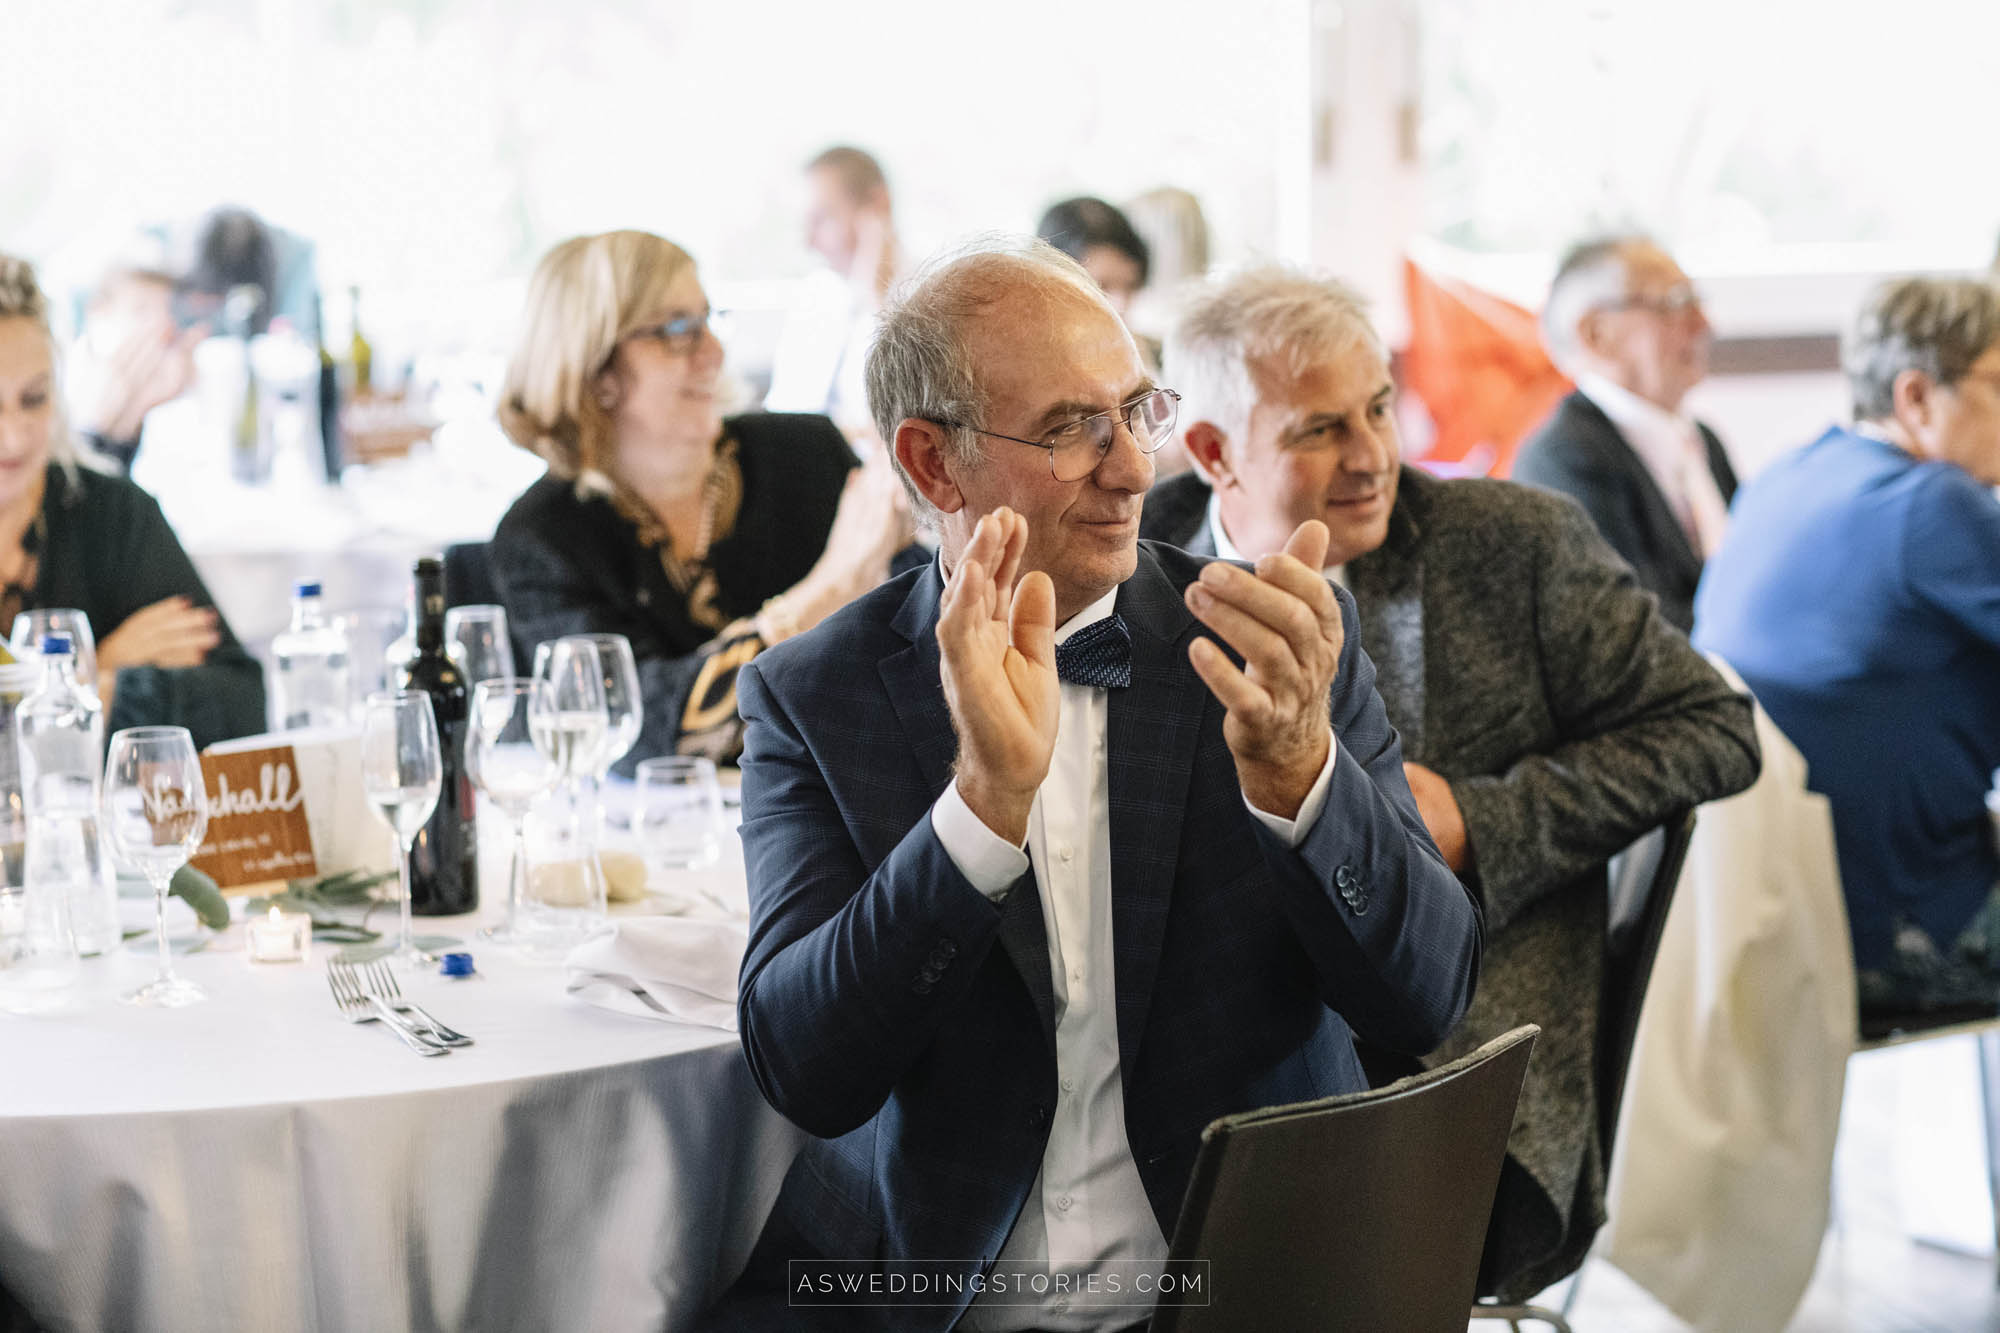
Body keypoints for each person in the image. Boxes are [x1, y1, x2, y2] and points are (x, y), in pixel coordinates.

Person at [706, 239, 1482, 1331]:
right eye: (1075, 429)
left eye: (1136, 412)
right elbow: (805, 1070)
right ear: (932, 465)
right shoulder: (809, 693)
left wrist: (1302, 779)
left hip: (1247, 1286)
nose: (1132, 469)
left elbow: (1429, 999)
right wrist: (975, 816)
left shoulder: (1264, 641)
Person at [1141, 265, 1759, 1300]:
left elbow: (1713, 728)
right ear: (1211, 452)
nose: (1372, 456)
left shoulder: (1509, 548)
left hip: (1447, 1085)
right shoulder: (1135, 561)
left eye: (1378, 407)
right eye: (1319, 429)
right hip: (1196, 1071)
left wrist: (1480, 816)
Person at [490, 229, 907, 770]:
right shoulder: (544, 536)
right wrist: (830, 589)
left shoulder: (805, 454)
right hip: (661, 840)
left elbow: (919, 625)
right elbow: (630, 725)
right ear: (597, 372)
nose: (714, 351)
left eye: (710, 320)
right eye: (678, 330)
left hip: (847, 796)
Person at [1695, 275, 2000, 1016]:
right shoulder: (1931, 504)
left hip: (1774, 908)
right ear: (1917, 397)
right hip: (1908, 917)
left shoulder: (1783, 476)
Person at [0, 254, 264, 747]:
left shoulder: (111, 514)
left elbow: (243, 701)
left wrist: (115, 689)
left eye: (33, 399)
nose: (13, 437)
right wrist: (93, 673)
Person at [1512, 236, 1737, 632]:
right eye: (1676, 303)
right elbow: (1632, 628)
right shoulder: (1563, 459)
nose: (1704, 324)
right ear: (1596, 333)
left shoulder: (1703, 440)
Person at [763, 145, 902, 438]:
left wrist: (880, 302)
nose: (809, 242)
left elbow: (899, 423)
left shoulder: (931, 299)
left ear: (878, 206)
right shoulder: (815, 297)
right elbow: (784, 414)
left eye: (823, 219)